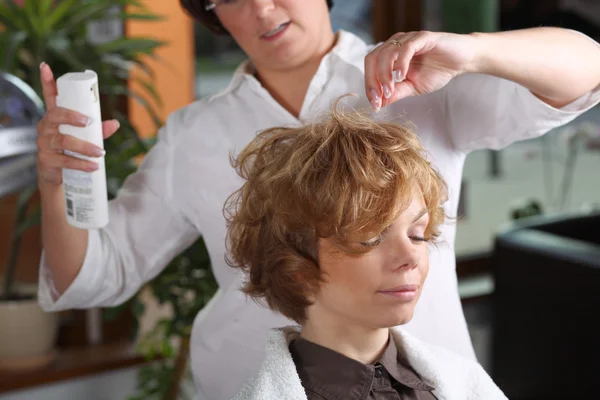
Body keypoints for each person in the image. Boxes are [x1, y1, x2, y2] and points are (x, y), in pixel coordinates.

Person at [34, 0, 600, 398]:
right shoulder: (194, 135)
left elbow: (587, 69)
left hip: (417, 383)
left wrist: (469, 51)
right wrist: (56, 185)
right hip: (246, 379)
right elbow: (93, 275)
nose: (261, 9)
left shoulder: (422, 79)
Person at [225, 99, 507, 400]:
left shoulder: (462, 383)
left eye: (417, 235)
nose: (410, 257)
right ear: (296, 270)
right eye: (372, 238)